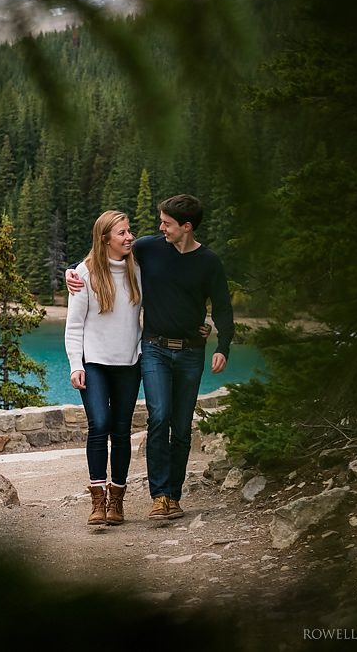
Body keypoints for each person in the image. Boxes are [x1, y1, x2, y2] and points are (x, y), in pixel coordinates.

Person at [67, 194, 233, 521]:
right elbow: (95, 260)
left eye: (167, 223)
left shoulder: (196, 262)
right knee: (153, 418)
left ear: (186, 227)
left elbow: (214, 303)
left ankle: (166, 494)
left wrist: (218, 338)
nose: (159, 228)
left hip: (171, 354)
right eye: (160, 222)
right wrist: (70, 270)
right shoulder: (147, 248)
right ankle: (147, 497)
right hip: (149, 350)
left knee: (178, 426)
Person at [65, 210, 142, 525]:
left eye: (129, 231)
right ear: (105, 238)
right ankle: (97, 500)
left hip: (128, 363)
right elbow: (74, 326)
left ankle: (117, 500)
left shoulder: (139, 271)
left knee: (122, 431)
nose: (129, 237)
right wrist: (74, 365)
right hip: (93, 362)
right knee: (99, 425)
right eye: (122, 233)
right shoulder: (84, 273)